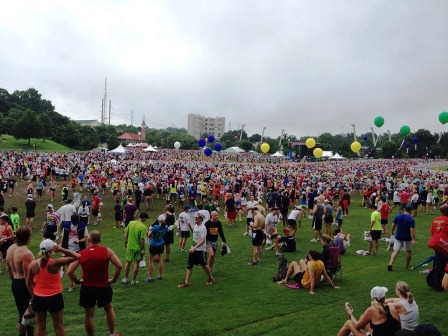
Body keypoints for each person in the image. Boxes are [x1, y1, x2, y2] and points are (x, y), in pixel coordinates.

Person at [67, 230, 122, 336]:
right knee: (109, 308)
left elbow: (70, 271)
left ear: (88, 240)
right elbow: (119, 265)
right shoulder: (107, 250)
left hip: (87, 287)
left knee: (89, 315)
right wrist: (114, 280)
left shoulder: (81, 254)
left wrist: (77, 281)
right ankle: (112, 334)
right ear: (100, 240)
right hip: (103, 286)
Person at [26, 239, 80, 336]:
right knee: (58, 326)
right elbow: (77, 256)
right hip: (54, 297)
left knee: (40, 327)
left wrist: (33, 294)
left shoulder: (34, 264)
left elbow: (28, 283)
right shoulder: (55, 263)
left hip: (39, 298)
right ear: (53, 250)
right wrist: (62, 249)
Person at [6, 226, 35, 336]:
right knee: (28, 314)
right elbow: (31, 274)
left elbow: (8, 269)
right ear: (28, 237)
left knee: (22, 313)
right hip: (24, 284)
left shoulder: (10, 249)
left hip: (15, 283)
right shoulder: (26, 252)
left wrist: (14, 281)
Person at [178, 212, 214, 287]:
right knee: (189, 266)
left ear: (201, 219)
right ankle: (186, 282)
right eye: (194, 218)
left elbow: (203, 240)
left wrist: (194, 247)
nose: (195, 219)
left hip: (200, 250)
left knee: (204, 265)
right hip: (193, 249)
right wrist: (193, 247)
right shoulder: (195, 226)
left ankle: (211, 278)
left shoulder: (203, 228)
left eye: (197, 218)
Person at [60, 214, 88, 291]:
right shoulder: (66, 226)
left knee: (84, 265)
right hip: (69, 249)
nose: (75, 223)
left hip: (80, 249)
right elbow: (63, 237)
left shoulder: (82, 226)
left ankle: (85, 280)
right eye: (73, 222)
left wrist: (79, 241)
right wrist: (61, 248)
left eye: (76, 222)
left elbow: (86, 238)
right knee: (70, 267)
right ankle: (72, 283)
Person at [122, 212, 148, 285]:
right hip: (138, 248)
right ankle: (133, 280)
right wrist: (143, 249)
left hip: (130, 247)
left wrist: (125, 242)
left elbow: (126, 234)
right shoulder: (143, 227)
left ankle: (125, 279)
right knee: (136, 263)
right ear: (144, 218)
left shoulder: (131, 223)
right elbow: (142, 240)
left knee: (128, 262)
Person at [387, 204, 415, 271]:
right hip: (407, 237)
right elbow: (412, 230)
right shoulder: (411, 219)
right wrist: (413, 239)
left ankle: (390, 263)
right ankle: (407, 265)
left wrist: (392, 232)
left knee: (396, 250)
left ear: (405, 209)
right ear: (411, 210)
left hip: (398, 236)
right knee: (408, 251)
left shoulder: (398, 216)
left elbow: (393, 224)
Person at [428, 204, 448, 290]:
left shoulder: (435, 220)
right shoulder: (447, 220)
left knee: (438, 264)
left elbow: (432, 231)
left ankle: (436, 282)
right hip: (445, 245)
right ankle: (440, 284)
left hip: (436, 244)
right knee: (443, 265)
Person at [146, 214, 169, 282]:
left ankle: (150, 277)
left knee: (151, 261)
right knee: (160, 259)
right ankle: (160, 275)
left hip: (154, 245)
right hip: (161, 243)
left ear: (158, 220)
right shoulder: (166, 227)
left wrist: (150, 229)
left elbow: (149, 235)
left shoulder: (155, 227)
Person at [204, 210, 227, 276]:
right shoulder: (207, 223)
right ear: (212, 216)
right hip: (208, 241)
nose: (217, 216)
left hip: (215, 241)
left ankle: (211, 269)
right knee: (211, 255)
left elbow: (221, 232)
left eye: (217, 215)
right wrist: (204, 241)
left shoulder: (218, 223)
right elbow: (204, 233)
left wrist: (224, 240)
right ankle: (208, 270)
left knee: (213, 256)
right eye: (215, 215)